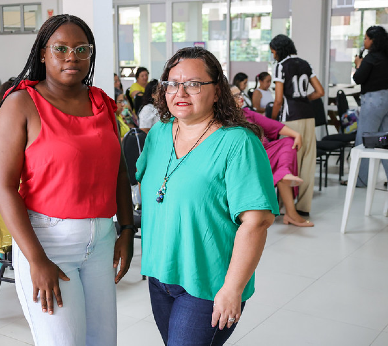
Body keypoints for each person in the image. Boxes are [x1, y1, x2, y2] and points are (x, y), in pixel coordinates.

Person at [0, 14, 135, 346]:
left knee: (102, 342)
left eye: (82, 48)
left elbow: (120, 172)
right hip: (47, 243)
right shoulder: (20, 104)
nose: (72, 56)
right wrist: (36, 260)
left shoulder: (101, 103)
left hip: (101, 242)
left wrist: (126, 230)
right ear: (43, 53)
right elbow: (3, 187)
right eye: (61, 48)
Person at [136, 47, 278, 346]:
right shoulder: (159, 133)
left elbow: (256, 222)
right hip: (161, 275)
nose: (181, 91)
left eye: (194, 83)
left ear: (217, 92)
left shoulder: (238, 142)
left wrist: (232, 289)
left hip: (210, 283)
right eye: (172, 83)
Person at [231, 86, 313, 227]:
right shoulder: (223, 120)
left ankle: (283, 175)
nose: (241, 98)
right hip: (250, 159)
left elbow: (274, 125)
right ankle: (290, 211)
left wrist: (296, 134)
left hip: (265, 153)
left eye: (241, 94)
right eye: (236, 96)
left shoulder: (247, 113)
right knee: (282, 170)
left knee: (288, 141)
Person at [270, 34, 324, 216]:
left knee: (287, 162)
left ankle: (285, 206)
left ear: (277, 51)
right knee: (308, 162)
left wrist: (273, 121)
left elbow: (278, 100)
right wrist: (304, 99)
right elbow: (320, 91)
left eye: (273, 52)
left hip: (290, 118)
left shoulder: (280, 66)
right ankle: (303, 208)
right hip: (309, 116)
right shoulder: (305, 64)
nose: (273, 56)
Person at [351, 25, 388, 187]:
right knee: (384, 140)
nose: (364, 41)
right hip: (386, 99)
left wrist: (359, 64)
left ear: (373, 41)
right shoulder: (386, 57)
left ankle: (360, 180)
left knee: (364, 140)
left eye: (366, 38)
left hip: (373, 101)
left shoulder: (371, 58)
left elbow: (358, 79)